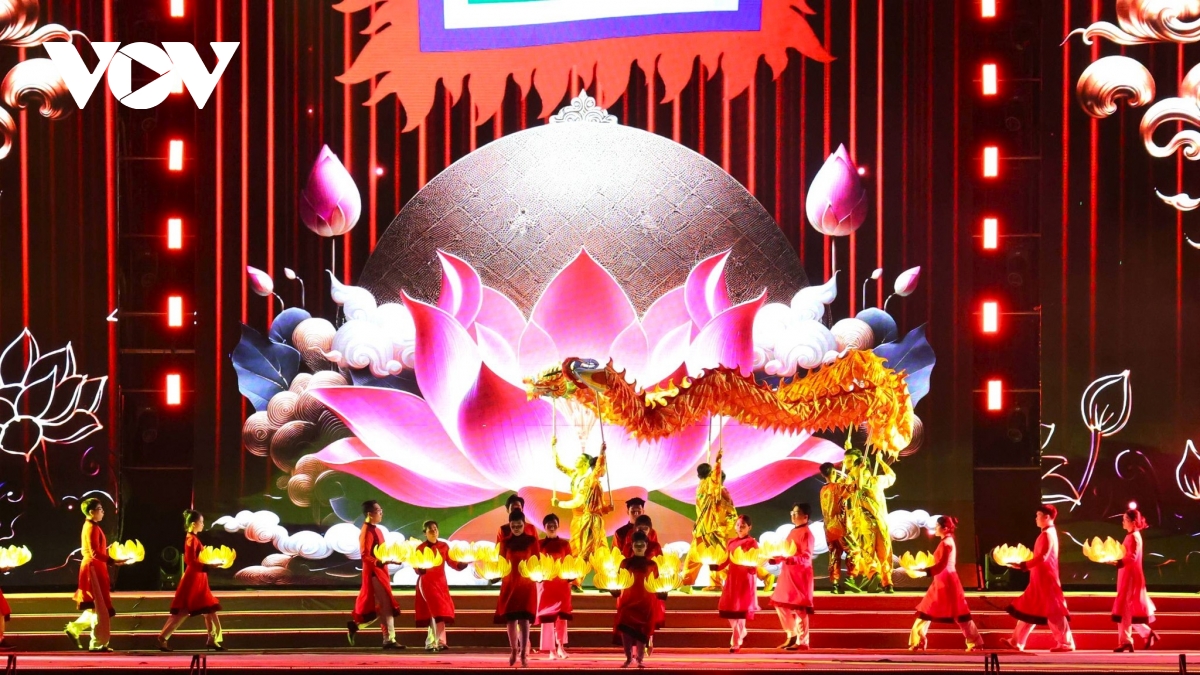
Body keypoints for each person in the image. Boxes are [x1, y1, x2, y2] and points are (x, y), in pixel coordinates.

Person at [999, 504, 1075, 652]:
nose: (1036, 518)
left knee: (1054, 612)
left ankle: (1066, 643)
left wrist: (1023, 565)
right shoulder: (1047, 533)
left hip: (1046, 579)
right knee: (1029, 609)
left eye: (1038, 515)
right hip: (1039, 578)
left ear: (1047, 517)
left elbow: (1042, 557)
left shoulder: (1047, 534)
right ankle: (1016, 642)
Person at [907, 515, 981, 651]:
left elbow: (942, 565)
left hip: (947, 582)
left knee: (960, 613)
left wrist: (923, 573)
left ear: (945, 528)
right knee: (926, 611)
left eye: (937, 526)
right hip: (941, 581)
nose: (935, 528)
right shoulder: (946, 541)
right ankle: (918, 641)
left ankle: (975, 642)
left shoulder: (947, 543)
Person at [158, 510, 224, 651]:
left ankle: (212, 639)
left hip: (199, 577)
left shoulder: (193, 538)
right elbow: (190, 560)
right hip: (193, 578)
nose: (203, 525)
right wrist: (208, 566)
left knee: (209, 609)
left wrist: (209, 564)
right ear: (194, 524)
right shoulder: (191, 539)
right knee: (183, 610)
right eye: (201, 522)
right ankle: (163, 638)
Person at [65, 498, 124, 652]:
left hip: (94, 567)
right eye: (100, 509)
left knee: (95, 606)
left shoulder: (91, 526)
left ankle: (75, 628)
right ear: (91, 512)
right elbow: (94, 552)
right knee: (100, 606)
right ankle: (97, 643)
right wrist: (112, 560)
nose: (103, 512)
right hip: (93, 568)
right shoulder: (91, 527)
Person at [346, 500, 402, 649]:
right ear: (370, 514)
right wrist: (380, 562)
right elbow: (365, 556)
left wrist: (390, 559)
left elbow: (381, 553)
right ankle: (389, 639)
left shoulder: (377, 530)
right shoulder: (367, 531)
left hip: (381, 571)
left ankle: (357, 626)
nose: (381, 513)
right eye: (378, 511)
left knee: (384, 605)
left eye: (381, 509)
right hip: (374, 572)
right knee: (386, 604)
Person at [551, 446, 611, 569]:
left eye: (579, 458)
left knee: (598, 548)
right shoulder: (580, 476)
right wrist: (554, 447)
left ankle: (603, 574)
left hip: (590, 518)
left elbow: (582, 502)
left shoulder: (589, 480)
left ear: (585, 464)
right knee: (580, 549)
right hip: (584, 519)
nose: (576, 459)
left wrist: (606, 508)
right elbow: (559, 466)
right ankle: (576, 576)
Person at [845, 452, 896, 593]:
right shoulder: (878, 480)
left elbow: (851, 483)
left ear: (858, 467)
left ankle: (874, 574)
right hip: (882, 523)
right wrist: (881, 461)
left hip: (866, 523)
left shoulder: (855, 485)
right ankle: (888, 583)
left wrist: (858, 472)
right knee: (884, 553)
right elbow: (892, 476)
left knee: (867, 552)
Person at [496, 509, 541, 667]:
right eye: (513, 526)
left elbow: (537, 561)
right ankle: (513, 650)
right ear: (510, 525)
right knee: (510, 619)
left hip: (526, 584)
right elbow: (501, 562)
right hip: (509, 583)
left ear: (524, 525)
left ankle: (523, 653)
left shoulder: (532, 541)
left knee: (524, 619)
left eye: (519, 526)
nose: (516, 529)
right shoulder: (505, 542)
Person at [414, 520, 469, 652]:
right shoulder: (420, 548)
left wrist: (461, 564)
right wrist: (420, 569)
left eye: (435, 529)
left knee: (439, 612)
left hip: (440, 583)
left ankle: (435, 642)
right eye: (430, 530)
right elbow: (416, 565)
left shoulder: (444, 546)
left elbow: (451, 562)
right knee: (435, 611)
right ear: (425, 533)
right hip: (426, 582)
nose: (434, 532)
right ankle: (436, 642)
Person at [681, 449, 730, 592]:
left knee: (708, 558)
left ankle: (689, 582)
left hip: (709, 529)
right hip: (706, 528)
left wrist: (718, 462)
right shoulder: (706, 485)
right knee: (711, 558)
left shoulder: (706, 486)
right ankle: (690, 582)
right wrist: (718, 461)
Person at [1111, 508, 1158, 652]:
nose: (1123, 522)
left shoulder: (1134, 537)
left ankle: (1128, 640)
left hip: (1130, 577)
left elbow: (1132, 556)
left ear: (1133, 522)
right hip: (1126, 575)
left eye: (1125, 520)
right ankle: (1136, 637)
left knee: (1125, 608)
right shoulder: (1131, 536)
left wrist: (1118, 562)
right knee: (1125, 609)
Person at [771, 503, 815, 651]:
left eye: (796, 513)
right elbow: (787, 551)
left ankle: (803, 641)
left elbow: (806, 556)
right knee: (780, 604)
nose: (793, 515)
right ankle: (791, 635)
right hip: (788, 574)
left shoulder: (806, 534)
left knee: (800, 609)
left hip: (800, 575)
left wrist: (789, 559)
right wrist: (778, 559)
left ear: (805, 517)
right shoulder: (793, 531)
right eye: (792, 512)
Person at [613, 531, 659, 668]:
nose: (639, 547)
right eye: (636, 545)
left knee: (642, 632)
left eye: (642, 545)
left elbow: (656, 583)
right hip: (628, 602)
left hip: (645, 603)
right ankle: (628, 658)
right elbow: (618, 580)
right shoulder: (625, 563)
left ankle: (639, 659)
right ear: (632, 546)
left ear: (646, 546)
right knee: (626, 630)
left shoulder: (652, 565)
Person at [716, 515, 760, 652]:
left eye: (743, 526)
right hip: (732, 578)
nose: (740, 528)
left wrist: (752, 569)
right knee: (729, 609)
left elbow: (755, 561)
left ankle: (735, 642)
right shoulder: (731, 542)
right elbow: (726, 560)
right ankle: (742, 632)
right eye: (738, 525)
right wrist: (716, 566)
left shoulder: (752, 543)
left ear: (749, 527)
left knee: (739, 611)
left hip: (745, 579)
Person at [538, 513, 573, 660]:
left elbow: (570, 562)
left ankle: (561, 646)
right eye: (549, 525)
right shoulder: (539, 544)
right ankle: (550, 649)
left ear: (558, 526)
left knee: (561, 618)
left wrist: (572, 576)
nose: (552, 527)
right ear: (544, 527)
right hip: (546, 585)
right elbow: (535, 563)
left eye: (554, 525)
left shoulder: (565, 544)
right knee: (547, 618)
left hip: (562, 585)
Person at [819, 462, 855, 593]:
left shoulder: (823, 490)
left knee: (834, 554)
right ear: (834, 472)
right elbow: (853, 488)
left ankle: (835, 584)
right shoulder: (838, 487)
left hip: (828, 527)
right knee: (853, 550)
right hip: (840, 526)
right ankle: (851, 577)